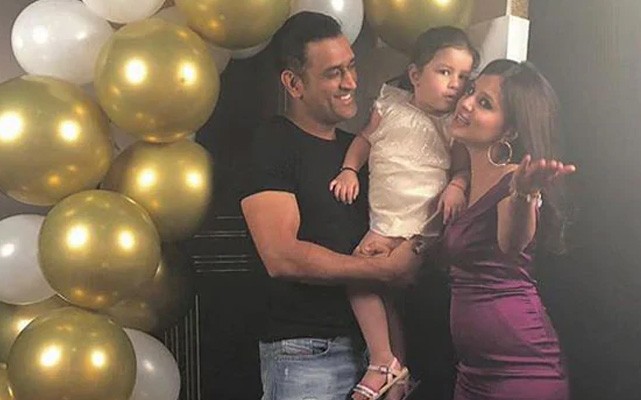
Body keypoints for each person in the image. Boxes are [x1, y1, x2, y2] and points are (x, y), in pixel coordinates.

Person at [239, 12, 422, 400]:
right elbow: (280, 256)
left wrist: (396, 364)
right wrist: (383, 269)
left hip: (374, 356)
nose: (351, 82)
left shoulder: (358, 152)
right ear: (294, 83)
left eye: (351, 67)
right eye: (333, 73)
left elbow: (382, 256)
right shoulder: (272, 143)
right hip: (306, 353)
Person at [328, 27, 479, 400]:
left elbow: (462, 169)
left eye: (464, 77)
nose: (455, 84)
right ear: (415, 74)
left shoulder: (454, 127)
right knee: (366, 282)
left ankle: (384, 364)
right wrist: (349, 169)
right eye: (444, 72)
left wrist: (456, 185)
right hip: (383, 223)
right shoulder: (388, 106)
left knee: (375, 283)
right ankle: (392, 369)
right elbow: (363, 141)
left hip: (421, 229)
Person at [444, 59, 575, 400]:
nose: (466, 103)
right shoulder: (465, 179)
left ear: (510, 131)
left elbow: (512, 243)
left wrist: (524, 193)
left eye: (484, 103)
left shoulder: (513, 179)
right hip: (472, 372)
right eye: (471, 91)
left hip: (522, 371)